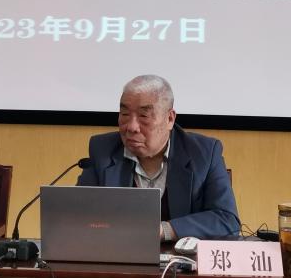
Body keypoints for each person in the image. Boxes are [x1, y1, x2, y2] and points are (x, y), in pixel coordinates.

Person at [77, 74, 240, 241]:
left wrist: (163, 230)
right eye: (124, 114)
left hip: (180, 256)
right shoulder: (103, 150)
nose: (131, 127)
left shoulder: (203, 153)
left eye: (144, 116)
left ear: (169, 119)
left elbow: (227, 220)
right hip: (118, 252)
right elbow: (78, 214)